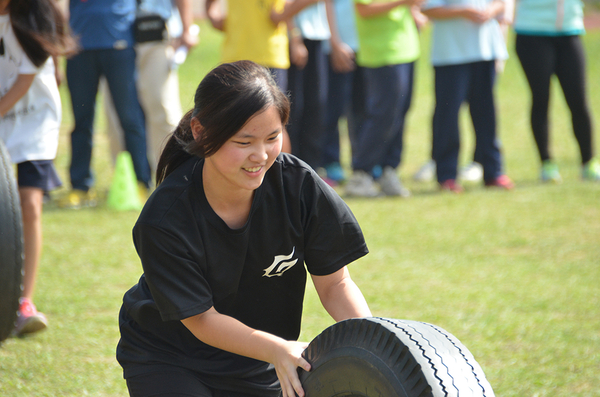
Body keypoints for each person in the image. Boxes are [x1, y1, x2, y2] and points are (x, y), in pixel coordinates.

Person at [116, 60, 372, 397]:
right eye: (243, 142)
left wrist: (374, 344)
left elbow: (335, 284)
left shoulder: (299, 186)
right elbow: (202, 320)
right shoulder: (164, 219)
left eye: (272, 137)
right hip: (169, 358)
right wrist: (278, 349)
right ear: (200, 132)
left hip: (254, 358)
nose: (261, 156)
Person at [0, 0, 76, 335]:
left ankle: (23, 303)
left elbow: (23, 81)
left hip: (34, 120)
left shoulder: (31, 16)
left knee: (29, 204)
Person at [59, 0, 152, 208]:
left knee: (130, 118)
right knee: (81, 121)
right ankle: (80, 187)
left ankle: (141, 182)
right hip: (79, 47)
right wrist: (60, 34)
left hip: (119, 44)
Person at [421, 0, 515, 193]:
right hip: (450, 54)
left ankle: (493, 172)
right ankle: (446, 175)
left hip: (485, 51)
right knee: (447, 116)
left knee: (486, 114)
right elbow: (428, 8)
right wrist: (462, 12)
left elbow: (502, 3)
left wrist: (490, 11)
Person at [205, 0, 320, 154]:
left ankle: (280, 174)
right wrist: (212, 15)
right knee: (233, 121)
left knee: (273, 124)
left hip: (269, 56)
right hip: (235, 55)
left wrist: (290, 29)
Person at [103, 0, 199, 180]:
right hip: (114, 37)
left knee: (161, 105)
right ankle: (127, 179)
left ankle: (171, 172)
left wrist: (187, 28)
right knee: (116, 112)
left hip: (155, 34)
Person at [513, 0, 600, 182]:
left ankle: (588, 162)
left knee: (578, 100)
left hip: (569, 30)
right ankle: (547, 164)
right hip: (532, 31)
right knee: (541, 98)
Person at [344, 0, 422, 197]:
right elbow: (363, 9)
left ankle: (389, 170)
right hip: (382, 52)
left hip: (407, 49)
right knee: (383, 115)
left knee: (400, 112)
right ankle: (361, 174)